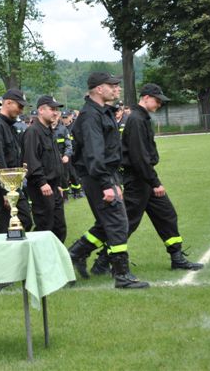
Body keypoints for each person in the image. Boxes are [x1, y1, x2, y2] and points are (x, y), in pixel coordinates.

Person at [91, 84, 203, 274]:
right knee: (128, 223)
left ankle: (177, 257)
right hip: (138, 180)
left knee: (167, 215)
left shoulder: (141, 117)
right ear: (145, 97)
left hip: (144, 179)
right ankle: (103, 261)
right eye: (157, 99)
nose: (159, 103)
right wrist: (155, 182)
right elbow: (139, 156)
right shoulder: (135, 119)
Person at [67, 72, 149, 289]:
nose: (117, 89)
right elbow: (94, 153)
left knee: (106, 223)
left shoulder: (102, 112)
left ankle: (75, 254)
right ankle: (122, 275)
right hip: (97, 176)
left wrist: (114, 180)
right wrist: (107, 184)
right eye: (112, 85)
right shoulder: (90, 116)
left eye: (117, 85)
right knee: (117, 222)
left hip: (105, 174)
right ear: (98, 89)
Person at [0, 89, 33, 235]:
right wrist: (5, 190)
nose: (21, 111)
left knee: (24, 222)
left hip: (12, 186)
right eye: (20, 106)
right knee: (2, 233)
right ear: (8, 102)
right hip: (0, 192)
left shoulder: (9, 126)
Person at [22, 96, 67, 242]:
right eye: (52, 109)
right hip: (42, 187)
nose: (55, 113)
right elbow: (31, 160)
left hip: (53, 186)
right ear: (41, 110)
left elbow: (54, 160)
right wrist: (42, 182)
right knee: (45, 226)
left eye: (57, 110)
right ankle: (37, 258)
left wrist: (59, 183)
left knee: (59, 227)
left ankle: (54, 259)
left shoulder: (49, 131)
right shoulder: (33, 132)